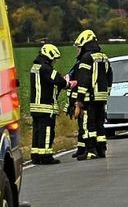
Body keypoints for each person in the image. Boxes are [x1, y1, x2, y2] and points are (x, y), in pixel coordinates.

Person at [70, 30, 112, 160]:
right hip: (101, 97)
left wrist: (79, 101)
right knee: (100, 125)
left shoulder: (86, 58)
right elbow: (109, 77)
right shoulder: (103, 57)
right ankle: (101, 150)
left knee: (89, 125)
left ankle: (90, 151)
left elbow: (84, 81)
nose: (78, 50)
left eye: (79, 47)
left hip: (90, 97)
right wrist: (107, 94)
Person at [29, 44, 68, 165]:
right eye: (54, 59)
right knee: (46, 131)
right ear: (49, 56)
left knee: (37, 131)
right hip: (45, 106)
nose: (54, 62)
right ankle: (46, 156)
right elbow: (58, 80)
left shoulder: (34, 67)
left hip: (35, 106)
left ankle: (36, 155)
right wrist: (68, 84)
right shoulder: (45, 68)